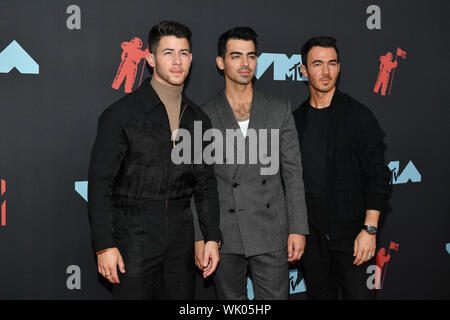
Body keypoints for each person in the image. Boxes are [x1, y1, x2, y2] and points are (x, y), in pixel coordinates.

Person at [87, 20, 222, 300]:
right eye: (168, 52)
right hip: (132, 236)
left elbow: (205, 184)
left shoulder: (198, 118)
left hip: (181, 238)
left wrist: (211, 237)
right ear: (150, 58)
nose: (177, 61)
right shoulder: (120, 115)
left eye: (184, 53)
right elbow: (100, 186)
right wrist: (104, 245)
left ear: (191, 59)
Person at [193, 27, 309, 300]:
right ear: (221, 62)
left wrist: (298, 228)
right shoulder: (203, 115)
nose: (245, 64)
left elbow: (293, 173)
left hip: (272, 229)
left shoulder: (279, 109)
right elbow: (196, 184)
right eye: (236, 56)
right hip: (223, 233)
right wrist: (200, 237)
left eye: (251, 56)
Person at [293, 36, 391, 299]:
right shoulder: (295, 121)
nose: (326, 72)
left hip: (354, 239)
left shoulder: (359, 116)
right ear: (303, 70)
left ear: (339, 67)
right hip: (311, 242)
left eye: (332, 63)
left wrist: (369, 230)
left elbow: (378, 177)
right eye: (317, 64)